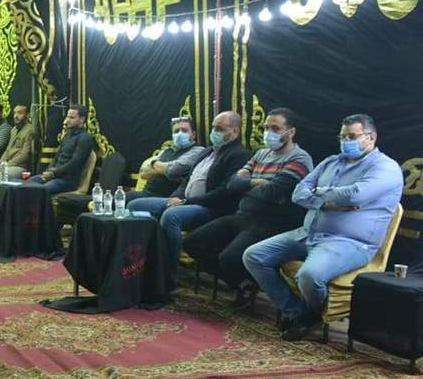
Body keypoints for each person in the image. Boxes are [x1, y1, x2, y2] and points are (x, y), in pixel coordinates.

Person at [243, 114, 403, 341]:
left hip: (348, 242)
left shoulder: (386, 167)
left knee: (309, 275)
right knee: (254, 256)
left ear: (371, 138)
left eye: (352, 136)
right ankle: (299, 312)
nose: (345, 141)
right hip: (308, 233)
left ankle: (308, 315)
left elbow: (354, 194)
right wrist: (326, 202)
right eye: (342, 136)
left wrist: (316, 193)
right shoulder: (331, 162)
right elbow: (298, 193)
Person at [184, 109, 313, 305]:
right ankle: (243, 283)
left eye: (276, 128)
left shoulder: (299, 159)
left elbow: (272, 192)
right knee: (192, 243)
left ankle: (252, 284)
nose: (269, 132)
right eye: (266, 127)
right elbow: (232, 184)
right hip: (243, 215)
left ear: (291, 132)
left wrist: (247, 185)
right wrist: (258, 183)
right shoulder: (261, 154)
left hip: (271, 222)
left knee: (229, 258)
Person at [129, 111, 252, 279]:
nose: (214, 132)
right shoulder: (207, 151)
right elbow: (187, 180)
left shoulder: (239, 155)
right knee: (135, 205)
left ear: (235, 131)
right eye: (213, 128)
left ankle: (168, 273)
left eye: (220, 129)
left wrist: (186, 201)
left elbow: (225, 191)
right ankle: (141, 262)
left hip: (209, 207)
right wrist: (176, 197)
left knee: (171, 216)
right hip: (184, 200)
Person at [128, 116, 209, 201]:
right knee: (121, 198)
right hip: (146, 193)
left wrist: (153, 164)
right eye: (176, 131)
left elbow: (174, 169)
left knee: (131, 202)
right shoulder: (166, 151)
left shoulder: (197, 150)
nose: (180, 134)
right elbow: (144, 173)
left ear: (193, 134)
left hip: (166, 197)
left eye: (184, 130)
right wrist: (166, 169)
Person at [28, 104, 95, 194]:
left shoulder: (85, 138)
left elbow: (74, 164)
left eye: (72, 118)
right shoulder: (67, 135)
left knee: (41, 190)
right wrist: (48, 171)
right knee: (26, 184)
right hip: (55, 176)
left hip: (68, 181)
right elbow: (57, 157)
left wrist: (53, 173)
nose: (68, 120)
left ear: (82, 119)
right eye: (67, 117)